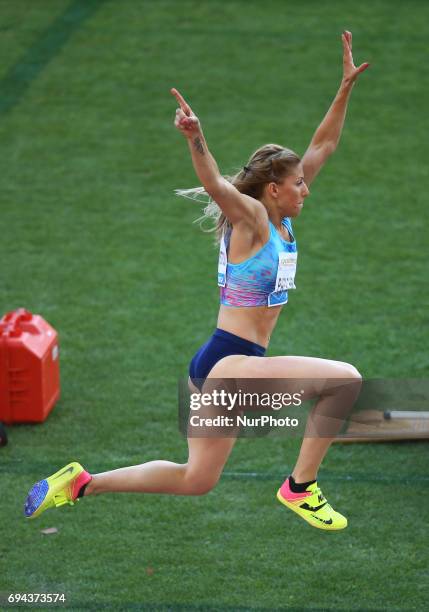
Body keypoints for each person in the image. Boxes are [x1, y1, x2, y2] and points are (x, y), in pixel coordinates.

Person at [24, 31, 368, 531]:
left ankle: (81, 482)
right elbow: (213, 183)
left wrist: (344, 87)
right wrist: (195, 136)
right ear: (274, 189)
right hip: (231, 363)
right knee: (345, 381)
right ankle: (300, 488)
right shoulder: (252, 219)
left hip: (221, 366)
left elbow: (324, 144)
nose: (307, 190)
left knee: (196, 479)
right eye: (298, 184)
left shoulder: (282, 216)